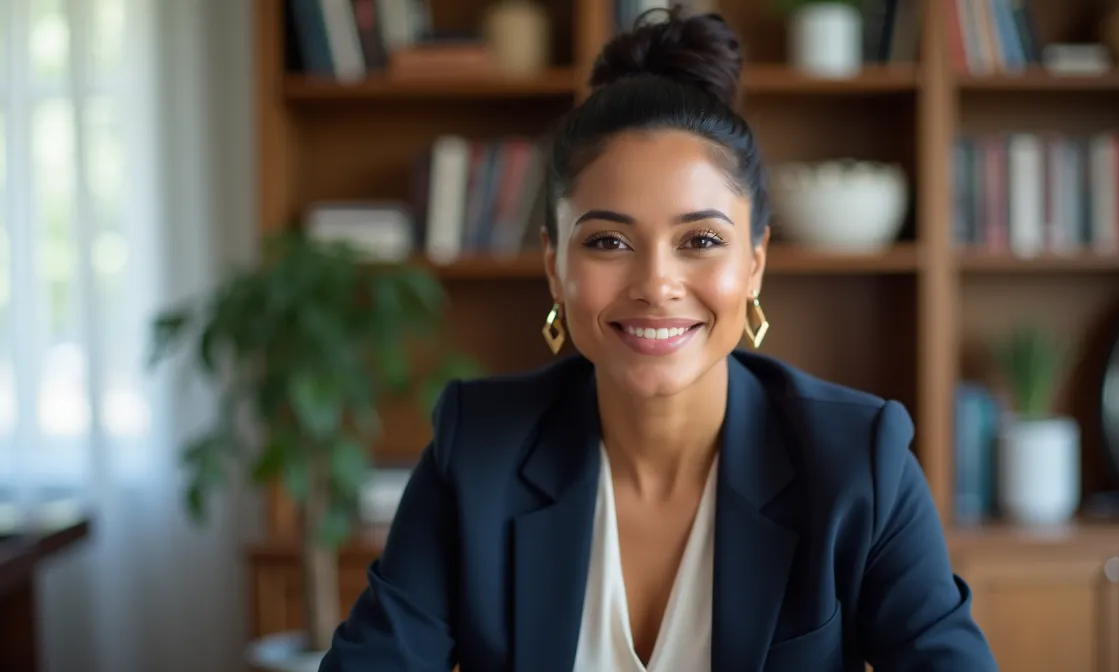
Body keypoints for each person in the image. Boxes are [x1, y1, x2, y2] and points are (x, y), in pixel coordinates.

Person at [319, 5, 996, 672]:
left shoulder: (857, 465)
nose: (656, 283)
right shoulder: (478, 455)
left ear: (755, 261)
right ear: (554, 265)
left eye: (700, 240)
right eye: (608, 241)